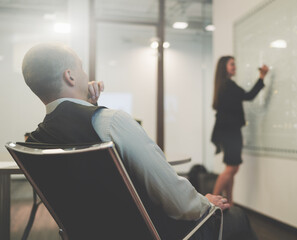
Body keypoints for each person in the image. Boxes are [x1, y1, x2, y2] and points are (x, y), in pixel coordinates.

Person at [22, 43, 257, 239]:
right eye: (81, 68)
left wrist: (87, 104)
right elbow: (178, 202)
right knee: (236, 218)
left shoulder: (35, 142)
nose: (86, 75)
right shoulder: (110, 122)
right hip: (156, 233)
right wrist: (204, 203)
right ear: (70, 76)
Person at [211, 56, 269, 205]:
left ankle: (229, 201)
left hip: (228, 131)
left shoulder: (224, 85)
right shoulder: (228, 86)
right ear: (224, 67)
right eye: (231, 64)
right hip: (230, 132)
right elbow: (249, 96)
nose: (234, 67)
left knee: (233, 167)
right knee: (231, 168)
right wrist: (262, 76)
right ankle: (211, 203)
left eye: (234, 64)